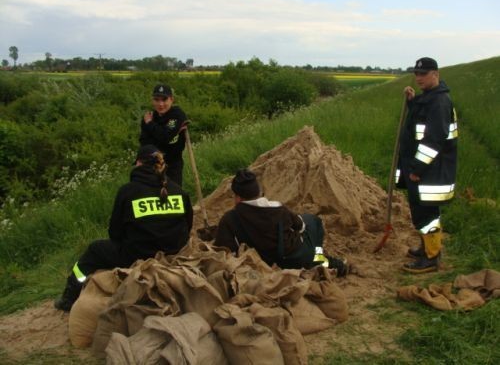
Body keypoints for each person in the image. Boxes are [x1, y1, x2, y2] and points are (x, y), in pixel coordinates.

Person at [54, 145, 193, 311]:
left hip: (137, 256)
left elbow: (115, 233)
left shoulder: (128, 192)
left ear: (139, 163)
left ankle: (69, 298)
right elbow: (188, 225)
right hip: (174, 252)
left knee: (94, 251)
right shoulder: (178, 191)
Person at [214, 169, 348, 275]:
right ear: (258, 192)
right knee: (314, 222)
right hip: (295, 258)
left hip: (265, 263)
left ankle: (322, 260)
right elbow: (300, 227)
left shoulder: (229, 219)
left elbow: (224, 249)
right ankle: (320, 258)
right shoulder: (278, 209)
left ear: (237, 197)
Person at [397, 57, 458, 273]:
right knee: (422, 211)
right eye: (416, 74)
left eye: (423, 74)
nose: (419, 78)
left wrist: (417, 169)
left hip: (429, 171)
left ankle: (431, 258)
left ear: (436, 74)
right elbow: (421, 122)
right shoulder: (430, 98)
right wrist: (413, 102)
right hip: (424, 169)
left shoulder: (440, 102)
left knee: (427, 214)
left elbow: (433, 141)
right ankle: (426, 248)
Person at [139, 84, 188, 186]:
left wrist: (150, 125)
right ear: (152, 101)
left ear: (171, 100)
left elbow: (165, 136)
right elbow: (144, 142)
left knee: (174, 195)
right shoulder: (149, 117)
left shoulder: (177, 115)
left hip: (172, 163)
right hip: (152, 164)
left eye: (164, 100)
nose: (160, 104)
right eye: (157, 100)